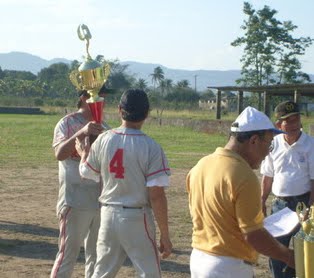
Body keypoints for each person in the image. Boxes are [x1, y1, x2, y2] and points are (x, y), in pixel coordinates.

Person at [186, 106, 295, 278]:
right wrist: (289, 256)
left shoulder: (200, 165)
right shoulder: (244, 176)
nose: (268, 152)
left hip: (199, 258)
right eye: (269, 144)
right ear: (253, 140)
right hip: (228, 266)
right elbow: (253, 236)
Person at [76, 89, 172, 278]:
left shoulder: (104, 138)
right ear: (147, 113)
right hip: (137, 216)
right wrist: (165, 234)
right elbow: (157, 195)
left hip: (108, 214)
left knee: (102, 272)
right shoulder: (151, 147)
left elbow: (86, 172)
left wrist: (82, 155)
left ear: (120, 110)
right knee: (150, 273)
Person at [50, 88, 109, 278]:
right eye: (99, 95)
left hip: (99, 201)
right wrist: (82, 132)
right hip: (74, 200)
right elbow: (59, 154)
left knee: (97, 256)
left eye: (104, 96)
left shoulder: (104, 126)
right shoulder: (67, 122)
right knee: (68, 255)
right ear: (84, 98)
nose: (103, 100)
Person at [260, 100, 314, 278]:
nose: (293, 125)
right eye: (288, 121)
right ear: (278, 124)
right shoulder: (273, 144)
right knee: (276, 250)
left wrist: (311, 208)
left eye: (296, 119)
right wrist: (261, 200)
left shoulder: (310, 144)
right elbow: (268, 175)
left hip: (303, 203)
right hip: (279, 206)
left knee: (305, 250)